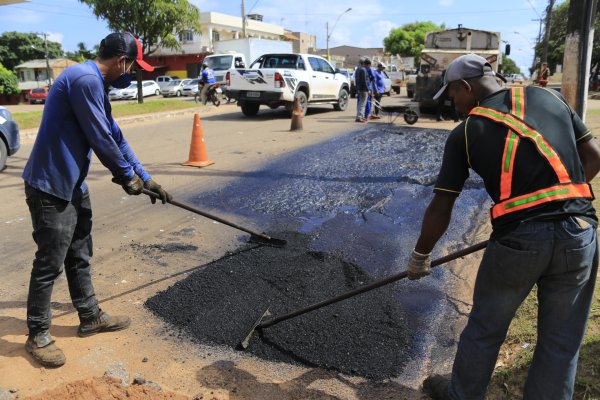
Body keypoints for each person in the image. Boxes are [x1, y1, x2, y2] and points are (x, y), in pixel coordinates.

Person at [406, 54, 600, 399]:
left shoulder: (466, 132)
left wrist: (421, 255)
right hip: (579, 233)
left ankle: (462, 395)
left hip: (520, 243)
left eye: (452, 94)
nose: (452, 102)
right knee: (561, 340)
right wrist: (556, 204)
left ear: (466, 86)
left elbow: (442, 204)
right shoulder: (550, 97)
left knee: (485, 329)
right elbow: (594, 157)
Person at [21, 32, 172, 368]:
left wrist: (145, 177)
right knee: (49, 263)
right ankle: (38, 335)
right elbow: (100, 138)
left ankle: (90, 317)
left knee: (79, 254)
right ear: (122, 61)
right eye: (132, 65)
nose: (131, 71)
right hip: (50, 186)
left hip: (73, 184)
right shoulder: (86, 79)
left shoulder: (93, 82)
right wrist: (126, 178)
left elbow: (114, 133)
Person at [354, 58, 371, 123]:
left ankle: (359, 116)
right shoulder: (363, 70)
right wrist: (367, 89)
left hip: (359, 89)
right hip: (363, 89)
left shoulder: (358, 69)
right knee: (363, 104)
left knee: (360, 103)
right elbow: (364, 81)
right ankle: (360, 117)